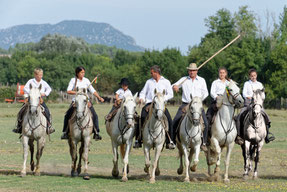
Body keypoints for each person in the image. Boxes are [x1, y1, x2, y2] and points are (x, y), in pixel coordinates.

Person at [134, 65, 175, 149]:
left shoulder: (166, 82)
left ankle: (169, 141)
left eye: (152, 73)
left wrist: (163, 99)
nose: (151, 74)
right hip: (149, 104)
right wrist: (142, 98)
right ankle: (138, 140)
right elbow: (143, 92)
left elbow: (171, 94)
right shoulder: (149, 82)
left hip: (161, 105)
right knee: (142, 117)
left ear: (156, 73)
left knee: (169, 121)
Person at [61, 66, 105, 141]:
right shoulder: (73, 80)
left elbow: (92, 90)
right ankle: (65, 132)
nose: (83, 74)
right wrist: (78, 92)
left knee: (95, 115)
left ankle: (96, 132)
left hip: (86, 101)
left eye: (84, 72)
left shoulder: (86, 80)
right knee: (67, 115)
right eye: (81, 72)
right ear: (77, 73)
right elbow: (68, 91)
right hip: (76, 101)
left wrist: (99, 97)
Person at [172, 63, 209, 152]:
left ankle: (203, 143)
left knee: (206, 123)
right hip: (186, 104)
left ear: (197, 71)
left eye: (193, 70)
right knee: (175, 121)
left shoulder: (202, 80)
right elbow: (174, 85)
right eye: (190, 70)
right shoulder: (184, 79)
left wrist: (198, 100)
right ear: (188, 71)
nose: (192, 72)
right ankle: (172, 141)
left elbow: (206, 93)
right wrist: (175, 87)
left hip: (197, 105)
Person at [205, 67, 245, 144]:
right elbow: (212, 92)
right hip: (217, 101)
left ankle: (237, 136)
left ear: (226, 74)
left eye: (223, 73)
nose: (222, 74)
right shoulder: (215, 82)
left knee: (236, 118)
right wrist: (217, 97)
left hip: (228, 103)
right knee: (208, 116)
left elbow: (235, 90)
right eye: (220, 73)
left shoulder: (229, 83)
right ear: (218, 73)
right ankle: (207, 137)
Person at [236, 68, 275, 144]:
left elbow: (263, 95)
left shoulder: (260, 84)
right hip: (248, 103)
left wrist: (259, 99)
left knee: (267, 117)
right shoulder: (246, 84)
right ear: (249, 76)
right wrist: (249, 96)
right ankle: (239, 135)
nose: (253, 77)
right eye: (251, 76)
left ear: (256, 75)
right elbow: (244, 93)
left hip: (258, 105)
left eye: (254, 75)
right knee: (240, 115)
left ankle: (266, 135)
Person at [13, 68, 55, 134]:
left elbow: (49, 89)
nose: (40, 76)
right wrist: (32, 93)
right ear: (35, 75)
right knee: (21, 111)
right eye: (39, 75)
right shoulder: (31, 81)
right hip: (31, 100)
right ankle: (19, 127)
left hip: (39, 100)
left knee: (47, 111)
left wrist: (45, 93)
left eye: (41, 75)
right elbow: (25, 89)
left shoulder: (43, 82)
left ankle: (49, 126)